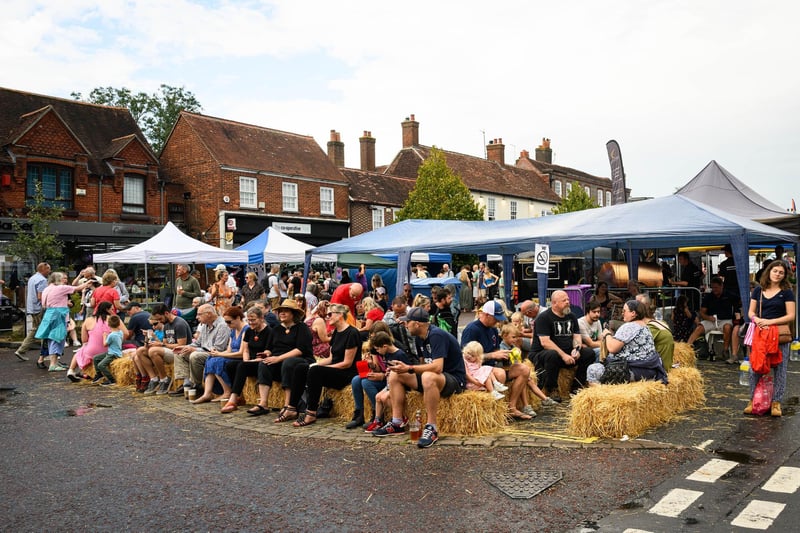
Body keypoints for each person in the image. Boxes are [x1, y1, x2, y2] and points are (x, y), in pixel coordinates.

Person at [373, 307, 467, 449]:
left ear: (417, 324)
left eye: (407, 322)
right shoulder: (419, 338)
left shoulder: (436, 335)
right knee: (395, 373)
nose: (404, 324)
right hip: (434, 379)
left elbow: (437, 367)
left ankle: (431, 427)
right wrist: (403, 369)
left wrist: (409, 368)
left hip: (453, 380)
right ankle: (397, 422)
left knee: (428, 376)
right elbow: (423, 365)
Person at [289, 303, 361, 427]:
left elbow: (347, 363)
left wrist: (321, 368)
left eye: (330, 314)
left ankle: (311, 413)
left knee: (316, 371)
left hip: (347, 373)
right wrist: (315, 364)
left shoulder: (352, 333)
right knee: (301, 367)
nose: (327, 318)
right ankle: (291, 408)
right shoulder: (336, 333)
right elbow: (331, 358)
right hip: (335, 369)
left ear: (339, 315)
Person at [460, 300, 532, 420]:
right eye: (496, 318)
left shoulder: (493, 329)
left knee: (524, 370)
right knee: (500, 373)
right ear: (487, 315)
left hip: (494, 366)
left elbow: (497, 350)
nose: (498, 321)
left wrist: (509, 353)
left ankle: (511, 407)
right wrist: (492, 356)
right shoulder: (472, 330)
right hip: (479, 370)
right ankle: (498, 410)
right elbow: (465, 358)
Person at [744, 260, 795, 417]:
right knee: (755, 368)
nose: (777, 274)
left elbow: (791, 315)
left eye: (781, 272)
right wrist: (756, 320)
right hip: (760, 334)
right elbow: (751, 312)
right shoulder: (758, 291)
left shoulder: (786, 292)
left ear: (784, 275)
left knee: (780, 369)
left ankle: (776, 402)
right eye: (775, 271)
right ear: (769, 272)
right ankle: (753, 400)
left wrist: (769, 322)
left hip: (779, 334)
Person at [247, 299, 313, 418]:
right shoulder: (277, 329)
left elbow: (300, 350)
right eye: (280, 311)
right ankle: (263, 403)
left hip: (299, 360)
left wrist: (278, 358)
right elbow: (270, 348)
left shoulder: (302, 328)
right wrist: (266, 354)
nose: (282, 313)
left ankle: (288, 405)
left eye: (286, 311)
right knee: (264, 364)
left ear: (294, 314)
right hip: (279, 360)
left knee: (288, 363)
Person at [529, 290, 595, 402]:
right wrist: (564, 355)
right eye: (564, 300)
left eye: (568, 299)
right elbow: (545, 343)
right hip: (543, 353)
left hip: (567, 351)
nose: (568, 302)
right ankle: (552, 388)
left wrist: (577, 349)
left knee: (589, 353)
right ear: (554, 303)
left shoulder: (572, 316)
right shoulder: (543, 318)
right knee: (552, 354)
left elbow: (577, 336)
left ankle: (577, 385)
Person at [587, 300, 669, 386]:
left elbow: (612, 348)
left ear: (633, 313)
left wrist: (607, 334)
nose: (622, 313)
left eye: (624, 311)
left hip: (632, 372)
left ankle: (603, 396)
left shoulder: (629, 326)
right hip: (650, 371)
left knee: (592, 369)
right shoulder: (645, 327)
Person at [352, 330, 412, 431]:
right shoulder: (387, 354)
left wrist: (391, 373)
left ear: (384, 346)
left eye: (377, 349)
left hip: (399, 384)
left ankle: (401, 416)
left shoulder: (399, 354)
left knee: (384, 398)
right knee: (378, 397)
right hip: (389, 382)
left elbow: (407, 372)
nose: (377, 352)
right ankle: (378, 420)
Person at [35, 273, 94, 372]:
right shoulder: (60, 288)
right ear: (58, 280)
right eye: (62, 279)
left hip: (49, 313)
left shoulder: (47, 288)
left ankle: (54, 362)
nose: (64, 281)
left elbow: (44, 303)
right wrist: (88, 282)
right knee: (56, 338)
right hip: (59, 314)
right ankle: (53, 364)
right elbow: (77, 288)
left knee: (51, 338)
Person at [219, 307, 272, 413]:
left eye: (253, 320)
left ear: (261, 318)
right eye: (249, 320)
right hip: (250, 361)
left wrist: (251, 362)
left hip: (262, 362)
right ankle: (240, 395)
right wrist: (246, 360)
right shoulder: (249, 331)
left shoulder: (269, 331)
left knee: (242, 366)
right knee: (230, 365)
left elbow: (268, 352)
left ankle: (233, 399)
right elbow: (246, 350)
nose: (251, 323)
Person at [170, 304, 231, 396]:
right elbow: (197, 343)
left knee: (195, 355)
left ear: (209, 314)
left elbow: (218, 349)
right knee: (179, 353)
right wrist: (185, 347)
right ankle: (187, 384)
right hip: (204, 351)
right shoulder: (205, 325)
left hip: (217, 354)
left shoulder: (222, 325)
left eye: (199, 314)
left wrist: (194, 349)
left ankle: (198, 385)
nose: (196, 317)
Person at [191, 306, 248, 404]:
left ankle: (227, 391)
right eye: (226, 322)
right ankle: (207, 393)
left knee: (217, 360)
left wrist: (220, 354)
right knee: (211, 358)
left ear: (238, 318)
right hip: (232, 355)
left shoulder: (246, 330)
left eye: (229, 322)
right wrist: (217, 353)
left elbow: (241, 353)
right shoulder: (234, 330)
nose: (227, 324)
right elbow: (229, 350)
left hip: (239, 357)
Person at [138, 303, 192, 395]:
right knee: (140, 351)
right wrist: (152, 341)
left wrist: (161, 344)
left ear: (166, 313)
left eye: (160, 319)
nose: (159, 321)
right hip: (170, 350)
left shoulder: (179, 324)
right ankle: (154, 379)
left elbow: (181, 345)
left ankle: (164, 379)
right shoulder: (166, 324)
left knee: (153, 351)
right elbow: (164, 342)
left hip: (180, 352)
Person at [692, 277, 739, 362]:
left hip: (726, 320)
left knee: (728, 327)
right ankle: (686, 347)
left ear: (722, 286)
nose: (714, 290)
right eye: (712, 287)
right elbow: (702, 312)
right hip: (711, 320)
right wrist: (707, 317)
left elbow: (739, 302)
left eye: (716, 287)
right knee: (699, 327)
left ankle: (725, 351)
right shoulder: (708, 297)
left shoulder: (729, 295)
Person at [66, 301, 116, 382]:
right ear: (107, 310)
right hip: (108, 350)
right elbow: (125, 334)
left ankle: (71, 370)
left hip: (91, 351)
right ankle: (86, 373)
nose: (113, 311)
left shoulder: (88, 320)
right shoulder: (114, 319)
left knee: (80, 351)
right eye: (112, 309)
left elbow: (84, 340)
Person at [14, 262, 51, 362]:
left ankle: (23, 350)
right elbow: (41, 296)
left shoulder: (33, 278)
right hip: (39, 308)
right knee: (43, 330)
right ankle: (43, 353)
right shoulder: (42, 280)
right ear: (43, 269)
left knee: (37, 329)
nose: (49, 271)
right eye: (48, 269)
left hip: (32, 307)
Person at [636, 293, 676, 369]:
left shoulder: (651, 325)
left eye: (637, 303)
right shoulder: (655, 323)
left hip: (660, 368)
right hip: (662, 363)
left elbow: (640, 346)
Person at [91, 315, 124, 386]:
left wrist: (104, 337)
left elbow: (105, 344)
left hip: (113, 354)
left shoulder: (111, 335)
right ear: (118, 324)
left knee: (101, 365)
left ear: (108, 324)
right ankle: (99, 374)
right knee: (95, 358)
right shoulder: (120, 332)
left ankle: (111, 380)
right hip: (113, 352)